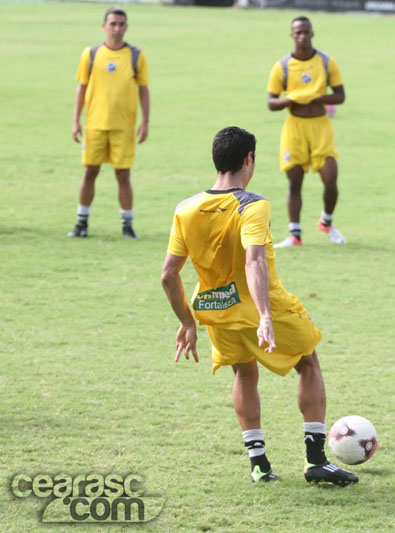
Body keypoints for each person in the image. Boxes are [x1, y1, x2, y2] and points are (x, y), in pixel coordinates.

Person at [160, 126, 357, 486]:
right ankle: (315, 460)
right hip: (265, 307)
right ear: (249, 159)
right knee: (308, 361)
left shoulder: (185, 209)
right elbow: (254, 261)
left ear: (215, 160)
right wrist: (265, 315)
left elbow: (168, 275)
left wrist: (187, 323)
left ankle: (259, 465)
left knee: (243, 373)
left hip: (216, 309)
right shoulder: (253, 205)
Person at [69, 7, 150, 239]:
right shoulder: (91, 53)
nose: (117, 28)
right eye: (112, 24)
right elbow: (81, 88)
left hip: (123, 128)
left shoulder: (136, 56)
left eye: (121, 24)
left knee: (123, 175)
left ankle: (127, 225)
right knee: (89, 172)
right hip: (95, 125)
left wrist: (145, 122)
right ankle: (81, 223)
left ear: (126, 27)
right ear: (104, 26)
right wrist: (76, 120)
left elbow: (144, 90)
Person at [267, 16, 346, 247]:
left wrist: (316, 97)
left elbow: (340, 95)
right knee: (294, 181)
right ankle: (295, 234)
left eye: (306, 32)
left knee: (330, 179)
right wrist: (291, 99)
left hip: (320, 125)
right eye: (298, 32)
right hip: (295, 127)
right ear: (292, 35)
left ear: (312, 33)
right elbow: (271, 102)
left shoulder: (325, 62)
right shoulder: (282, 66)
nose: (302, 36)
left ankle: (326, 222)